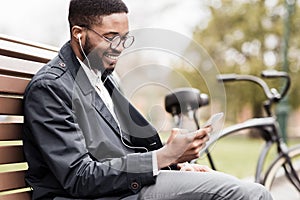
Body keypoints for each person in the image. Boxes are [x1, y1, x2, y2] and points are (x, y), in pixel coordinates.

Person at [22, 0, 273, 199]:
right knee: (252, 194)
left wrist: (174, 165)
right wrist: (163, 157)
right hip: (92, 196)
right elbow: (79, 177)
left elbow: (119, 150)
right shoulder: (51, 89)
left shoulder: (101, 77)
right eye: (111, 37)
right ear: (78, 34)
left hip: (121, 188)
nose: (120, 47)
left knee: (238, 187)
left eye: (124, 38)